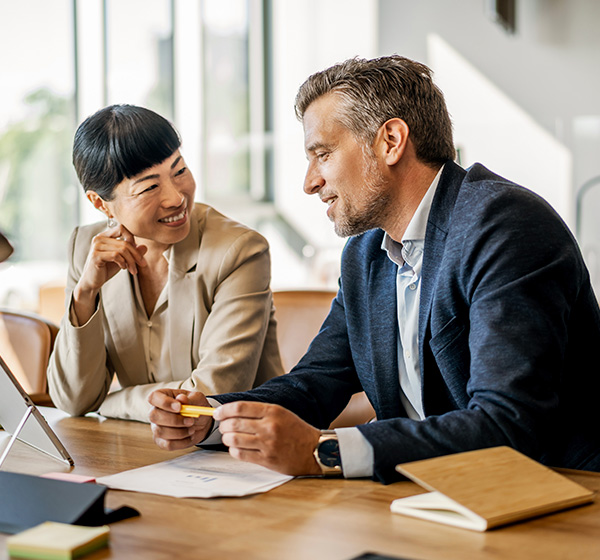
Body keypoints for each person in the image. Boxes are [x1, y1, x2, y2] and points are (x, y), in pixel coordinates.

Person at [147, 56, 600, 483]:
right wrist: (206, 417)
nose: (309, 183)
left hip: (556, 498)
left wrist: (324, 452)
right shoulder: (366, 252)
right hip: (423, 494)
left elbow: (508, 424)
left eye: (322, 154)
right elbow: (315, 385)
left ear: (390, 141)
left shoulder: (505, 226)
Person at [47, 104, 283, 423]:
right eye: (149, 187)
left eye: (179, 171)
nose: (176, 197)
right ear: (101, 203)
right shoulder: (86, 250)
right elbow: (73, 400)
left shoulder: (239, 251)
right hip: (140, 451)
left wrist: (112, 403)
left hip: (236, 451)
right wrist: (86, 293)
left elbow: (211, 396)